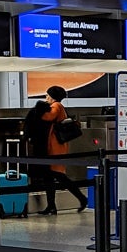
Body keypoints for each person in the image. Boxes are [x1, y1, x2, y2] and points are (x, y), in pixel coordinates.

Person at [38, 85, 87, 214]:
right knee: (51, 176)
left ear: (53, 96)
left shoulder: (56, 106)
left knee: (58, 175)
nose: (46, 97)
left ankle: (81, 198)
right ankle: (51, 206)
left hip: (56, 147)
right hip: (55, 145)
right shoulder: (57, 106)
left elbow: (48, 117)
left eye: (48, 95)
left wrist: (38, 110)